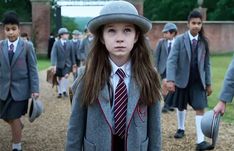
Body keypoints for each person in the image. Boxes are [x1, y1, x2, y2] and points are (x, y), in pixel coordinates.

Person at [65, 1, 162, 151]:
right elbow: (76, 126)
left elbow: (155, 128)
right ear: (102, 38)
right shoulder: (87, 75)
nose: (120, 38)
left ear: (136, 36)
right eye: (111, 31)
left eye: (127, 30)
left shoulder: (149, 75)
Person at [165, 10, 213, 150]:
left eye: (199, 23)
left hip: (198, 82)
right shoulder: (180, 40)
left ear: (201, 24)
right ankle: (181, 128)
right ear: (188, 24)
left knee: (200, 108)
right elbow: (172, 61)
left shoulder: (204, 42)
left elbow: (207, 64)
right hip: (181, 80)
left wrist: (208, 83)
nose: (196, 26)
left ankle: (200, 142)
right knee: (181, 106)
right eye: (193, 23)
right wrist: (170, 80)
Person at [0, 11, 39, 151]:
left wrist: (35, 89)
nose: (11, 32)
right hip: (3, 89)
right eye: (7, 29)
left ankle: (17, 146)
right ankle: (17, 125)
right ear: (4, 30)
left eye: (13, 29)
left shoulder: (27, 46)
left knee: (14, 116)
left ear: (19, 29)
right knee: (5, 116)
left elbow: (33, 69)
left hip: (21, 90)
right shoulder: (0, 46)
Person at [154, 22, 177, 113]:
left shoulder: (178, 42)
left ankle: (169, 105)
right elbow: (156, 56)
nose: (164, 34)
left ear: (173, 33)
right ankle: (167, 105)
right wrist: (155, 67)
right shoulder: (161, 42)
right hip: (163, 68)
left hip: (174, 69)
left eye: (166, 32)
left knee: (171, 87)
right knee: (164, 85)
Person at [51, 27, 73, 98]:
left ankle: (64, 90)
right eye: (66, 34)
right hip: (59, 64)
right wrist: (54, 64)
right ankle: (60, 92)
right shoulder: (56, 43)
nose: (67, 35)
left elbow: (72, 54)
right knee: (60, 78)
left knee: (65, 76)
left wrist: (74, 64)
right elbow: (53, 54)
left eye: (67, 34)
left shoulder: (70, 42)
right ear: (61, 35)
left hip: (68, 64)